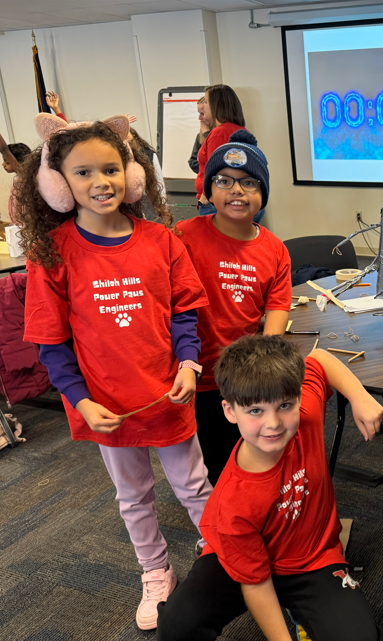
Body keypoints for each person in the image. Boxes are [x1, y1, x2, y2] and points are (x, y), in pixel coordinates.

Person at [16, 113, 213, 631]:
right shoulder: (52, 253)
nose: (100, 182)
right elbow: (52, 342)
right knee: (134, 497)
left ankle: (221, 552)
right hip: (106, 405)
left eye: (110, 169)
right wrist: (80, 400)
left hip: (167, 394)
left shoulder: (161, 240)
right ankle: (156, 571)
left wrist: (189, 364)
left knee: (194, 486)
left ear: (130, 173)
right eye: (83, 173)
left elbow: (184, 313)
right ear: (59, 184)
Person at [156, 335, 383, 641]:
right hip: (243, 564)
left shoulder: (304, 414)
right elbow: (256, 583)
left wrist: (359, 396)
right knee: (176, 626)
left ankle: (303, 614)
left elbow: (320, 359)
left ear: (298, 398)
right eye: (255, 411)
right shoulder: (232, 503)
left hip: (312, 559)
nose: (274, 423)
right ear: (229, 411)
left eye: (284, 405)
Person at [177, 130, 292, 485]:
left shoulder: (275, 249)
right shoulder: (182, 236)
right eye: (224, 181)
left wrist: (265, 368)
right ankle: (219, 514)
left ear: (262, 195)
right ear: (208, 191)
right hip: (197, 376)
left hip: (243, 376)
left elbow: (277, 307)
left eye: (249, 183)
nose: (237, 191)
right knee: (210, 461)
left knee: (252, 453)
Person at [194, 85, 246, 216]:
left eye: (206, 102)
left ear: (217, 105)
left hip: (216, 203)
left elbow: (215, 169)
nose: (203, 106)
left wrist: (205, 198)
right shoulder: (238, 129)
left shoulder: (219, 133)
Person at [188, 96, 211, 174]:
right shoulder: (200, 136)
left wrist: (207, 134)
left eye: (202, 114)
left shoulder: (220, 134)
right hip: (203, 179)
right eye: (199, 113)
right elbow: (192, 162)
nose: (199, 118)